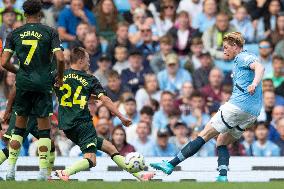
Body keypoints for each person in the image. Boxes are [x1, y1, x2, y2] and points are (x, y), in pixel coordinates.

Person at [150, 32, 265, 182]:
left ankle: (171, 165)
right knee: (221, 141)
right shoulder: (244, 58)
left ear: (235, 46)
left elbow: (260, 67)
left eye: (226, 47)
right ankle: (222, 177)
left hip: (237, 106)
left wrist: (254, 83)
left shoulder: (243, 57)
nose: (224, 50)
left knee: (204, 135)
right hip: (252, 113)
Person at [54, 47, 154, 181]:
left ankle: (140, 176)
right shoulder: (89, 79)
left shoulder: (60, 75)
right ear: (81, 60)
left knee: (110, 148)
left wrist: (92, 98)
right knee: (91, 159)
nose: (89, 63)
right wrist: (121, 116)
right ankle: (65, 172)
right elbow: (105, 99)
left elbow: (72, 95)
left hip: (66, 124)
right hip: (82, 123)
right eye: (88, 60)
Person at [1, 0, 65, 180]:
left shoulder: (14, 33)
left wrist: (20, 71)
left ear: (24, 13)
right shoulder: (50, 32)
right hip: (43, 83)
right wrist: (59, 78)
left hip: (23, 83)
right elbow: (60, 59)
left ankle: (11, 170)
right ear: (40, 12)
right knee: (44, 131)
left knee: (18, 130)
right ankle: (43, 172)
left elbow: (4, 62)